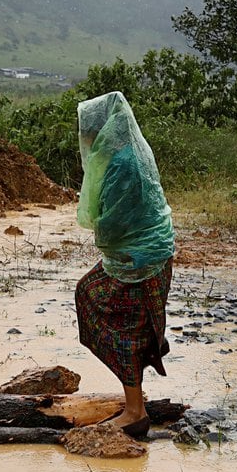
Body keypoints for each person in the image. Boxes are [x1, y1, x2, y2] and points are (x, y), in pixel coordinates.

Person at [74, 92, 175, 437]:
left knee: (112, 317)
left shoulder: (122, 164)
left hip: (140, 259)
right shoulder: (128, 152)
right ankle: (135, 402)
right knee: (123, 320)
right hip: (148, 254)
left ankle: (135, 411)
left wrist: (105, 237)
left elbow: (114, 222)